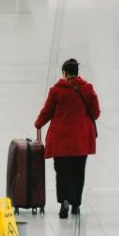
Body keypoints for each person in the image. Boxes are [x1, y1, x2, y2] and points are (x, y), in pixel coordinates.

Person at [34, 58, 100, 219]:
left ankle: (64, 200)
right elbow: (96, 113)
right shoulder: (88, 89)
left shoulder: (56, 91)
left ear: (64, 73)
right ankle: (76, 203)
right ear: (77, 73)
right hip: (81, 140)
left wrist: (38, 123)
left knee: (62, 172)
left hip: (61, 140)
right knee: (78, 171)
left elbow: (47, 112)